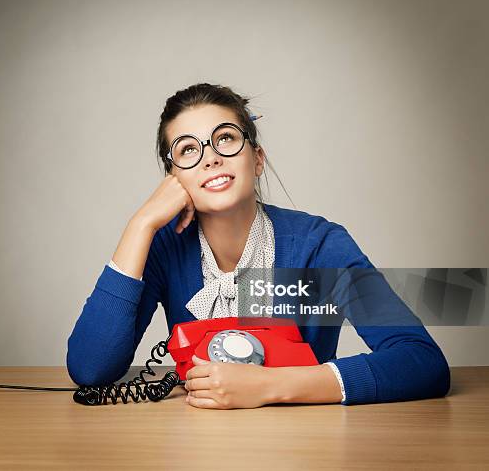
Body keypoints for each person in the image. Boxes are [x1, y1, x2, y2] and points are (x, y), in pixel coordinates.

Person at [66, 83, 450, 409]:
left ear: (258, 158)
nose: (211, 158)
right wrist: (140, 225)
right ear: (172, 179)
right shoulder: (165, 249)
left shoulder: (319, 246)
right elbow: (90, 369)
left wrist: (271, 386)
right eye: (187, 150)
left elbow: (421, 362)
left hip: (306, 445)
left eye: (226, 139)